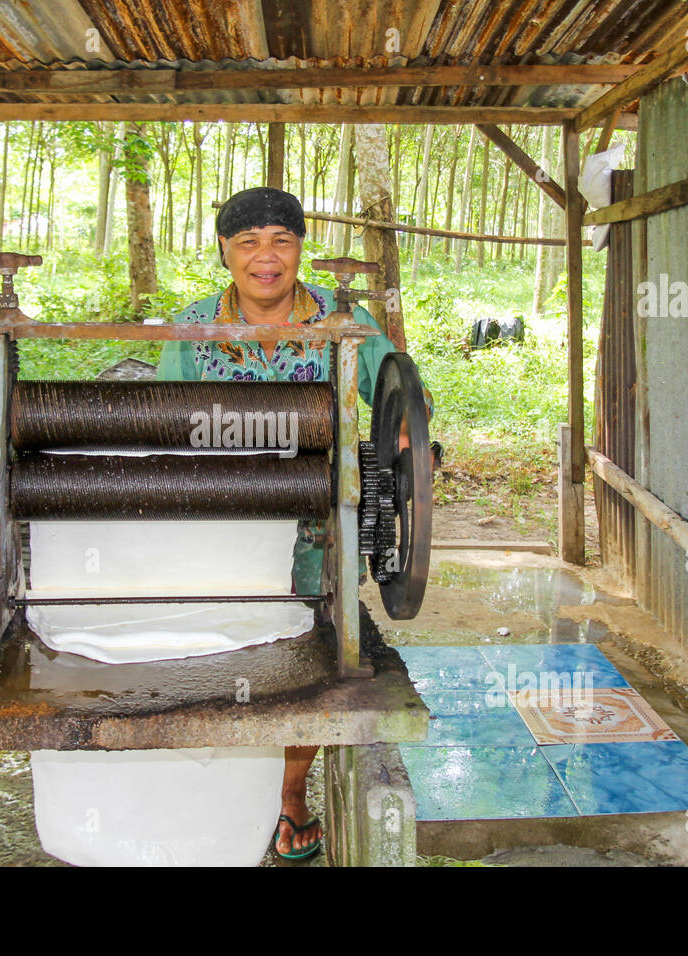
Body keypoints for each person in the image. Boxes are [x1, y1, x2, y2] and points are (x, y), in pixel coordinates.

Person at [156, 186, 425, 860]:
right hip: (224, 523)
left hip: (318, 529)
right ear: (225, 251)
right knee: (224, 653)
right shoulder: (192, 330)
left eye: (281, 239)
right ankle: (224, 791)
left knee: (306, 660)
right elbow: (158, 425)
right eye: (248, 242)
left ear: (300, 248)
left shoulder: (347, 323)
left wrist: (402, 452)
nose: (265, 257)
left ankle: (288, 794)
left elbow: (401, 403)